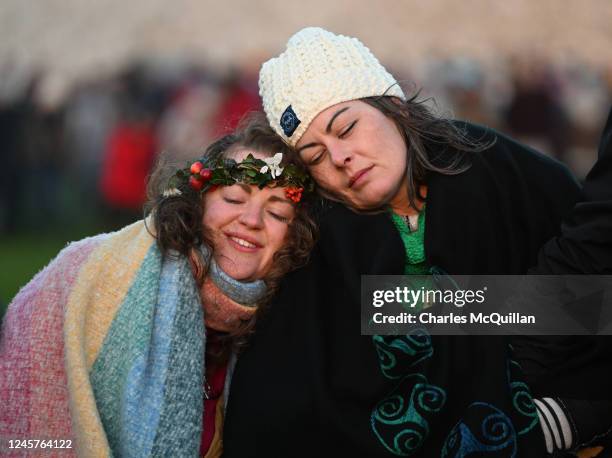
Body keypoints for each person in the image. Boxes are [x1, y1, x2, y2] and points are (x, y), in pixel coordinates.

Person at [222, 27, 608, 457]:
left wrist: (392, 304)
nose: (338, 157)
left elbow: (592, 302)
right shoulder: (319, 244)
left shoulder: (506, 173)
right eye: (314, 156)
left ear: (392, 105)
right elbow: (285, 402)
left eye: (346, 128)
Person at [0, 116, 316, 457]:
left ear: (293, 235)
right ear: (199, 202)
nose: (251, 221)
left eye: (278, 214)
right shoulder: (92, 270)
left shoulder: (294, 313)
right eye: (234, 200)